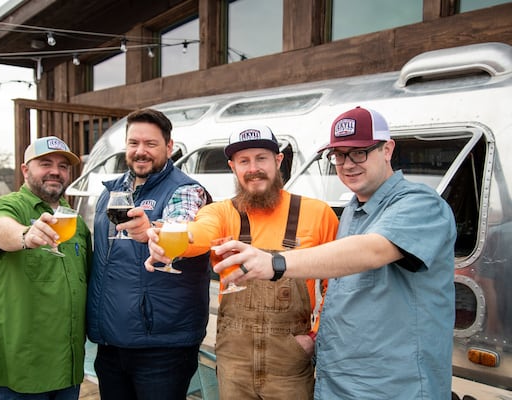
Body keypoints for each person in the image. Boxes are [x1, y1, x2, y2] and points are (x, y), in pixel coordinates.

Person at [212, 106, 457, 399]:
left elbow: (373, 250)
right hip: (337, 383)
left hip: (393, 386)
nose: (348, 163)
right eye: (339, 155)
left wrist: (275, 262)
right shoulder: (353, 211)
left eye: (359, 152)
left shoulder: (419, 203)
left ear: (387, 149)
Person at [145, 125, 339, 399]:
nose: (253, 168)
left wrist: (314, 338)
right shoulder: (219, 213)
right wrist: (170, 240)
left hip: (290, 363)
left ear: (278, 160)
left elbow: (338, 286)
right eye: (243, 161)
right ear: (232, 167)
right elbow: (199, 234)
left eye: (262, 158)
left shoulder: (318, 213)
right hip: (233, 362)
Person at [86, 108, 212, 400]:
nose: (140, 151)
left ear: (169, 147)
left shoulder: (185, 190)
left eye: (150, 144)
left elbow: (182, 226)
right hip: (111, 341)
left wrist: (154, 230)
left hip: (161, 347)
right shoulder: (112, 191)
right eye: (133, 143)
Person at [0, 136, 92, 399]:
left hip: (69, 366)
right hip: (22, 369)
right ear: (25, 170)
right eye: (45, 163)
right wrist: (25, 236)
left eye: (63, 166)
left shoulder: (75, 222)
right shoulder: (4, 207)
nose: (55, 171)